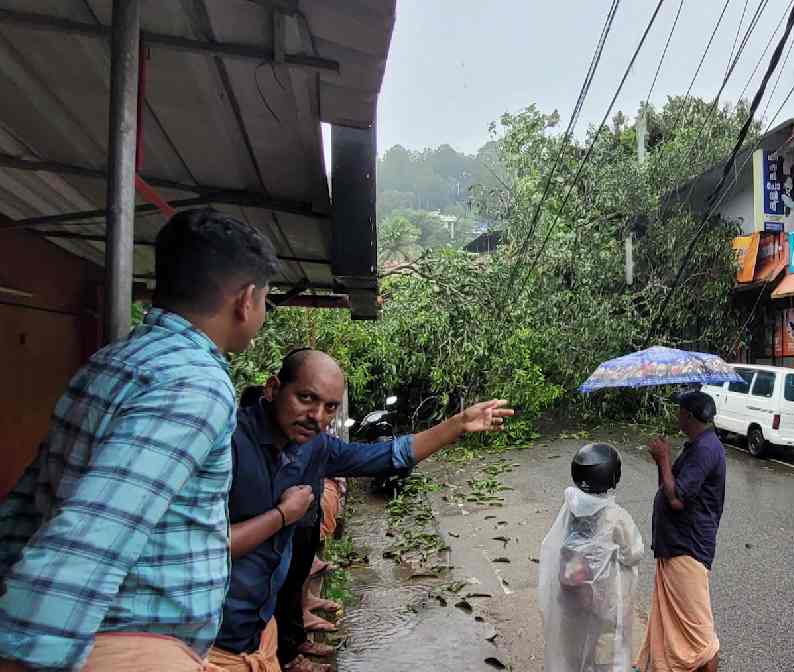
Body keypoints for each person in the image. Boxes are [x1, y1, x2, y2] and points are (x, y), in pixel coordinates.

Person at [0, 208, 279, 671]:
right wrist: (26, 655)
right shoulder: (194, 384)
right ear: (246, 300)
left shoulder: (111, 362)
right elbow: (96, 530)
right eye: (266, 301)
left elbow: (27, 504)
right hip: (126, 645)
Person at [209, 349, 514, 672]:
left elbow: (389, 456)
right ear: (272, 388)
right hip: (204, 638)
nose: (317, 416)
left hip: (257, 631)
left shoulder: (315, 446)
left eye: (330, 407)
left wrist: (457, 424)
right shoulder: (225, 444)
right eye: (306, 398)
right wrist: (283, 516)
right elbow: (201, 545)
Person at [638, 392, 726, 672]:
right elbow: (670, 489)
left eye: (679, 411)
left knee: (700, 635)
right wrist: (662, 463)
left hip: (688, 548)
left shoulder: (705, 450)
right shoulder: (697, 445)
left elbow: (676, 500)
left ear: (688, 415)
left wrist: (664, 459)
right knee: (673, 627)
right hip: (675, 545)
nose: (676, 415)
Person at [539, 443, 644, 672]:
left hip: (570, 597)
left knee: (572, 650)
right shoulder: (615, 517)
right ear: (612, 476)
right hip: (601, 601)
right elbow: (634, 553)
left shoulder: (569, 506)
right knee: (605, 651)